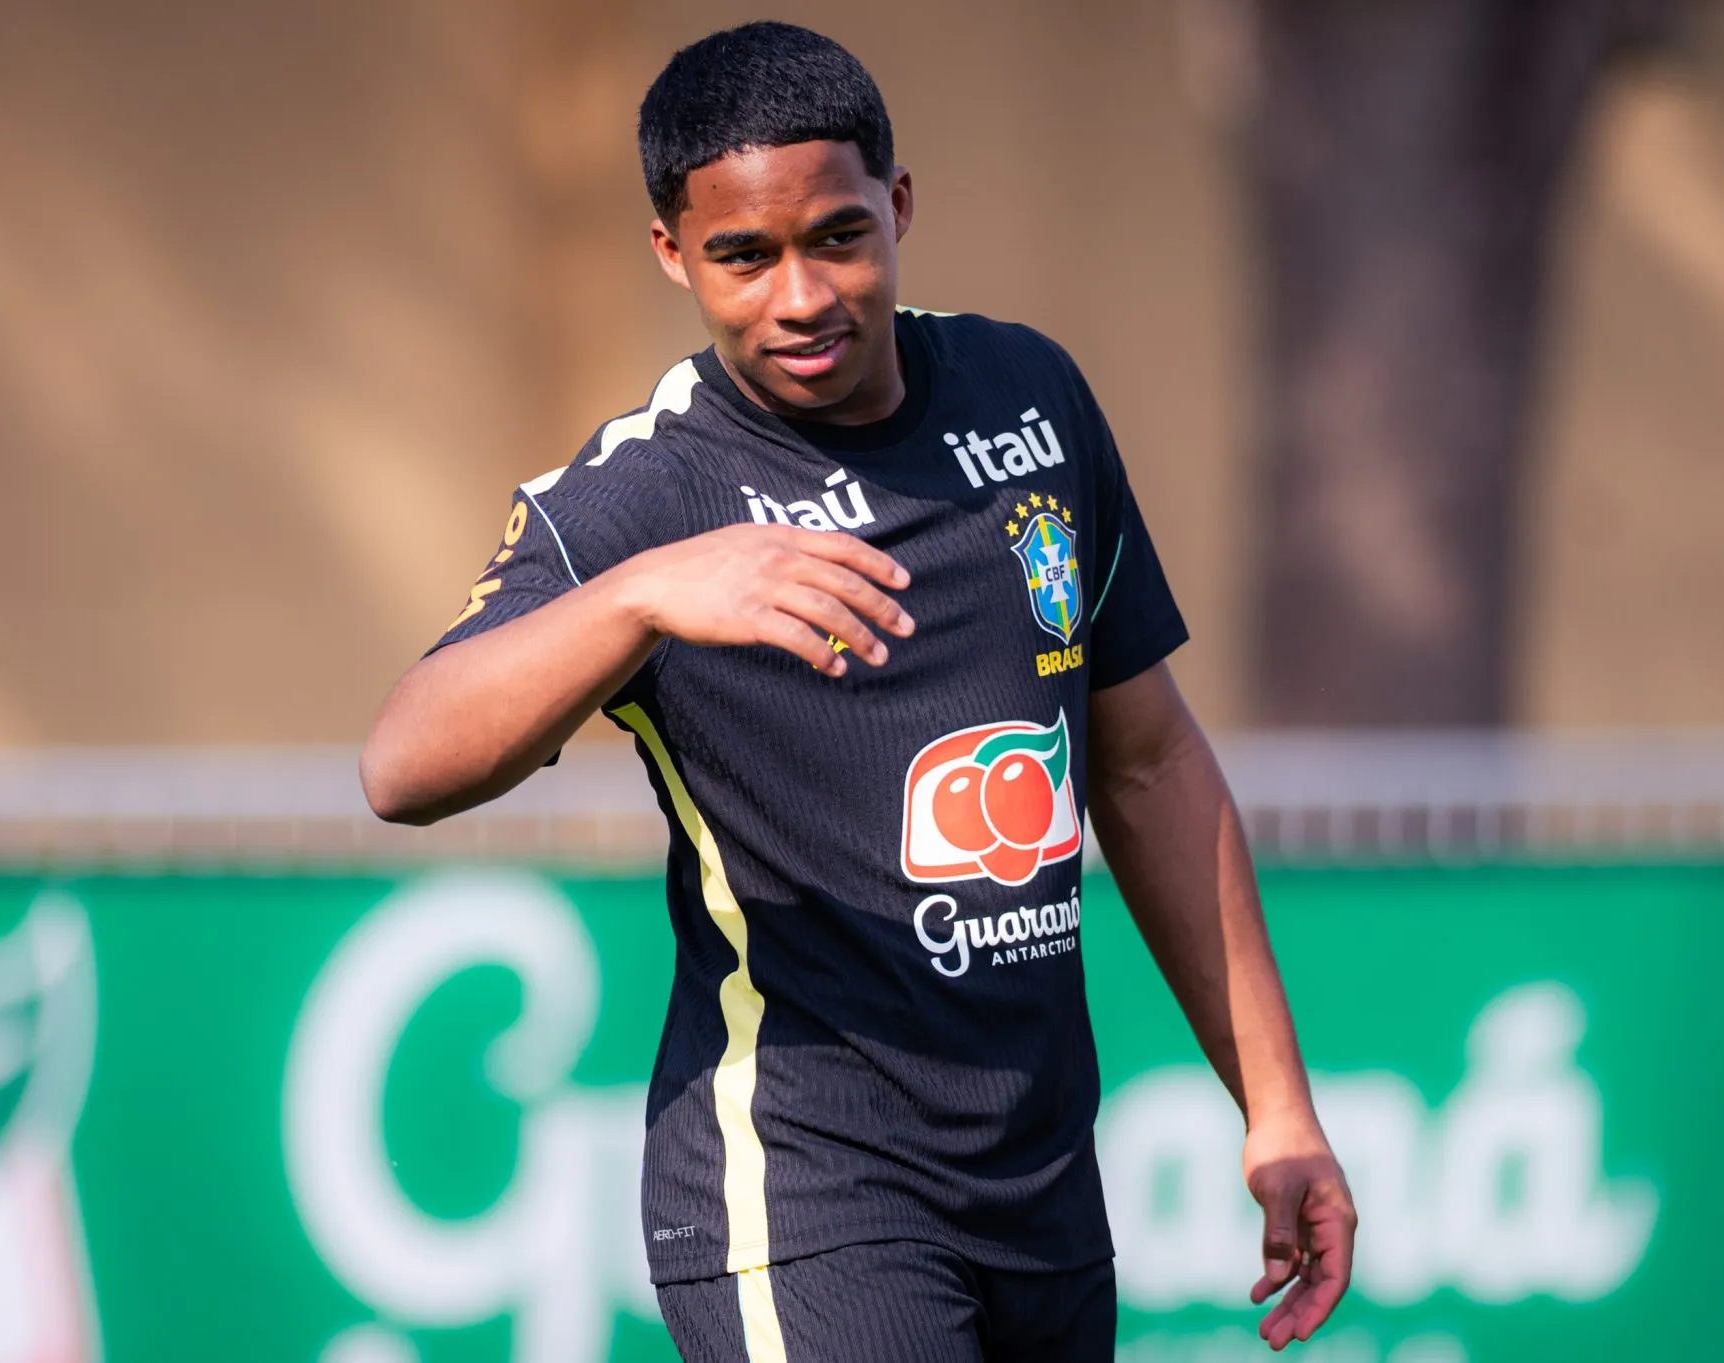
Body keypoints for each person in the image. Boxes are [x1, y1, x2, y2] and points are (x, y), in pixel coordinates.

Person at [360, 20, 1354, 1362]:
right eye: (743, 256)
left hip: (1044, 1185)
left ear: (897, 204)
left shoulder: (1033, 397)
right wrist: (644, 595)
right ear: (672, 253)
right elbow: (404, 763)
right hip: (807, 1191)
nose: (801, 295)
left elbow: (1148, 761)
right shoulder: (652, 493)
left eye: (836, 235)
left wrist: (1278, 1108)